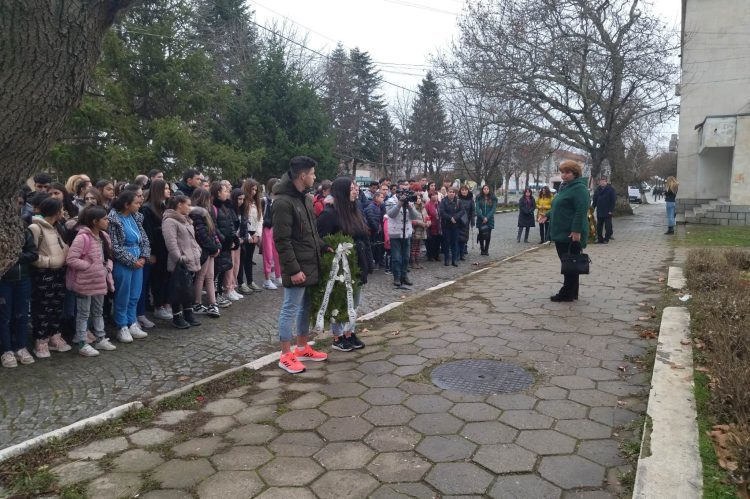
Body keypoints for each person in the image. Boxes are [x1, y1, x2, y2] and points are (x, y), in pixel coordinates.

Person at [273, 156, 329, 374]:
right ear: (302, 175)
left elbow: (311, 233)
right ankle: (285, 355)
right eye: (313, 173)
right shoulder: (283, 202)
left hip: (309, 262)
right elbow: (282, 241)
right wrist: (294, 269)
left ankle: (302, 347)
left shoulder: (306, 199)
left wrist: (323, 246)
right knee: (290, 308)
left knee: (305, 307)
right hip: (296, 266)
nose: (315, 177)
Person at [316, 177, 371, 352]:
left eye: (356, 188)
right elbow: (320, 238)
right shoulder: (330, 213)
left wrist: (368, 262)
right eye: (352, 188)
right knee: (339, 302)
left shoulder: (355, 210)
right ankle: (337, 336)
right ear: (342, 192)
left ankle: (349, 332)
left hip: (357, 261)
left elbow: (362, 234)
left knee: (354, 301)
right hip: (340, 265)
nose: (356, 191)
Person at [66, 206, 116, 356]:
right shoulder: (82, 238)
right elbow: (71, 259)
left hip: (100, 281)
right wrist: (89, 266)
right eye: (105, 219)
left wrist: (107, 269)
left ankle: (100, 338)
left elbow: (109, 256)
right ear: (95, 221)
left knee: (98, 311)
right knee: (83, 313)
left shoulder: (104, 237)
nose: (108, 221)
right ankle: (82, 342)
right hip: (85, 282)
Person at [540, 160, 590, 302]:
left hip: (569, 233)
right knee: (570, 262)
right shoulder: (566, 187)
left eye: (567, 172)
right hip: (561, 232)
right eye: (562, 172)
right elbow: (558, 206)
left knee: (569, 263)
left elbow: (581, 211)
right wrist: (547, 215)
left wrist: (576, 231)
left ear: (575, 173)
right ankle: (573, 292)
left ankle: (566, 293)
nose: (564, 175)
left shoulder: (579, 189)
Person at [29, 198, 71, 357]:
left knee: (56, 306)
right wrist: (49, 262)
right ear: (55, 211)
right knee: (42, 308)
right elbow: (32, 255)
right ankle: (40, 340)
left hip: (59, 272)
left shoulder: (57, 227)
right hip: (43, 274)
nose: (64, 212)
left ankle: (54, 335)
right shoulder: (35, 228)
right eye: (61, 209)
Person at [108, 190, 150, 343]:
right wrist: (131, 260)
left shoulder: (136, 217)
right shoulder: (113, 220)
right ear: (126, 204)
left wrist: (144, 256)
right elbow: (115, 246)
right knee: (123, 294)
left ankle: (132, 322)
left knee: (135, 294)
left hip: (139, 258)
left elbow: (144, 239)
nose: (139, 205)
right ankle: (122, 325)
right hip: (124, 261)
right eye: (136, 203)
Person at [0, 205, 38, 367]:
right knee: (4, 315)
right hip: (4, 279)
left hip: (23, 278)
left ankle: (21, 346)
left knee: (22, 314)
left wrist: (17, 256)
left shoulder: (23, 231)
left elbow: (33, 254)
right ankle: (6, 349)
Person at [162, 195, 203, 329]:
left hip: (190, 259)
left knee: (187, 289)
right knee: (178, 289)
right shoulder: (170, 221)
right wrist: (180, 259)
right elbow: (171, 243)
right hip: (180, 262)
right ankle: (177, 316)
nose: (189, 207)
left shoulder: (186, 220)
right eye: (187, 204)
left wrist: (197, 250)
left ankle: (188, 313)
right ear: (179, 205)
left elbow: (192, 239)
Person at [140, 179, 171, 323]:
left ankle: (164, 303)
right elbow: (147, 232)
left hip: (165, 249)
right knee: (157, 279)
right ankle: (157, 306)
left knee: (164, 278)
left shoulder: (163, 207)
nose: (168, 191)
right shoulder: (147, 209)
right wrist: (150, 252)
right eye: (165, 188)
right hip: (155, 250)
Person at [190, 188, 222, 317]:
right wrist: (213, 248)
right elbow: (202, 235)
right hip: (203, 250)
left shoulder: (206, 213)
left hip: (209, 249)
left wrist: (217, 246)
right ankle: (197, 303)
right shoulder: (197, 214)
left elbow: (212, 231)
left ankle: (212, 303)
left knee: (209, 276)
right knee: (201, 276)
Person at [386, 186, 419, 288]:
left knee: (405, 257)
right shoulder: (390, 200)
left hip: (407, 233)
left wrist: (409, 206)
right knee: (396, 258)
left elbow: (415, 216)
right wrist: (399, 203)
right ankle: (397, 277)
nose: (404, 195)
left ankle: (404, 276)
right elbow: (391, 214)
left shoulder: (410, 201)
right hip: (395, 233)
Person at [238, 179, 263, 293]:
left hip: (254, 233)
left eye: (255, 190)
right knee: (241, 259)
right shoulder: (243, 201)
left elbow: (259, 219)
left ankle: (250, 281)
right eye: (252, 189)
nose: (254, 192)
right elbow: (242, 220)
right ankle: (240, 283)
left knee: (249, 259)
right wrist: (248, 235)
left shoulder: (256, 202)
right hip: (244, 233)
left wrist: (257, 234)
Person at [262, 178, 283, 290]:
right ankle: (267, 279)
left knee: (278, 253)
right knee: (268, 254)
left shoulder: (280, 199)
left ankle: (278, 276)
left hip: (277, 228)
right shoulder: (265, 200)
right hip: (267, 228)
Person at [439, 186, 464, 267]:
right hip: (446, 225)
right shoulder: (443, 201)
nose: (452, 193)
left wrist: (455, 217)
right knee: (446, 243)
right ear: (447, 192)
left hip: (455, 225)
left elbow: (462, 211)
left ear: (455, 193)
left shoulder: (458, 201)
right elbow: (442, 212)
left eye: (453, 192)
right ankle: (446, 260)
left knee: (455, 243)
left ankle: (454, 260)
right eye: (450, 192)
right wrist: (450, 218)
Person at [592, 176, 616, 244]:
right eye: (601, 181)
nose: (602, 182)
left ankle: (606, 238)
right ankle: (600, 239)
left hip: (608, 211)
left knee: (608, 226)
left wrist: (611, 210)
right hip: (600, 211)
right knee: (599, 226)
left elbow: (613, 201)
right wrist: (592, 208)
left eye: (603, 181)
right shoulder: (597, 190)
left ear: (606, 182)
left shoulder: (610, 189)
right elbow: (595, 200)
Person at [364, 192, 385, 268]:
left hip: (376, 230)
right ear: (376, 198)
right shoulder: (371, 207)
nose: (383, 198)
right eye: (381, 197)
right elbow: (371, 218)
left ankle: (376, 262)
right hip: (372, 231)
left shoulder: (378, 206)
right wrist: (376, 228)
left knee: (376, 247)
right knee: (372, 247)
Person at [475, 185, 498, 255]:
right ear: (482, 190)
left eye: (487, 189)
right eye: (484, 189)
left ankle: (486, 249)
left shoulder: (493, 198)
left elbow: (493, 209)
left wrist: (487, 218)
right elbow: (477, 208)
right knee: (481, 234)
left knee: (488, 235)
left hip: (489, 219)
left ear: (489, 190)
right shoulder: (479, 198)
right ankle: (482, 250)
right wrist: (482, 217)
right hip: (480, 219)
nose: (486, 190)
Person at [410, 195, 430, 269]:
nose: (419, 200)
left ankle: (418, 262)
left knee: (419, 246)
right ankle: (413, 262)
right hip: (415, 229)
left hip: (422, 230)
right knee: (414, 247)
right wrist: (419, 223)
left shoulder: (423, 207)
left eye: (419, 198)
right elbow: (411, 220)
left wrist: (428, 222)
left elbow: (427, 216)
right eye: (417, 198)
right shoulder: (412, 208)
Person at [458, 184, 475, 260]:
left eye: (465, 190)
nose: (464, 191)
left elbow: (472, 211)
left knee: (465, 236)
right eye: (462, 190)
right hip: (458, 220)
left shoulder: (471, 199)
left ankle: (464, 250)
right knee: (458, 237)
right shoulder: (458, 199)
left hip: (466, 220)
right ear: (460, 191)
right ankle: (458, 252)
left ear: (468, 191)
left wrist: (472, 221)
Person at [425, 191, 442, 261]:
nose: (434, 196)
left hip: (439, 226)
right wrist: (428, 222)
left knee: (438, 241)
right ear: (430, 196)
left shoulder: (439, 204)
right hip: (431, 226)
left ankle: (437, 255)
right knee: (431, 241)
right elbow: (425, 214)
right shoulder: (427, 204)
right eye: (433, 195)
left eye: (436, 195)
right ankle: (430, 255)